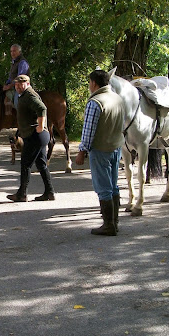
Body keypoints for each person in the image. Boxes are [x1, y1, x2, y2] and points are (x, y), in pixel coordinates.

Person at [75, 69, 125, 236]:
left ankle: (108, 225)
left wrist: (82, 151)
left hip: (101, 149)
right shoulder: (117, 98)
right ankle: (114, 222)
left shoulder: (95, 102)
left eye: (89, 82)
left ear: (94, 83)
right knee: (113, 185)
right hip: (116, 147)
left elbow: (88, 131)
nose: (89, 86)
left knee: (103, 188)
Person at [7, 75, 55, 202]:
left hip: (36, 135)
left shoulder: (29, 95)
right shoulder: (23, 95)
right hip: (36, 135)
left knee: (25, 164)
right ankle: (49, 192)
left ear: (27, 83)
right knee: (41, 164)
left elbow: (42, 108)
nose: (17, 87)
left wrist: (40, 126)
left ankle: (22, 194)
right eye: (16, 85)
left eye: (20, 84)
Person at [2, 44, 30, 115]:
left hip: (22, 87)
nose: (12, 53)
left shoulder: (22, 62)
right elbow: (11, 77)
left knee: (17, 102)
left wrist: (10, 86)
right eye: (11, 51)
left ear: (19, 52)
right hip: (14, 87)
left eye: (14, 51)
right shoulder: (14, 62)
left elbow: (19, 78)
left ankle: (23, 119)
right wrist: (6, 84)